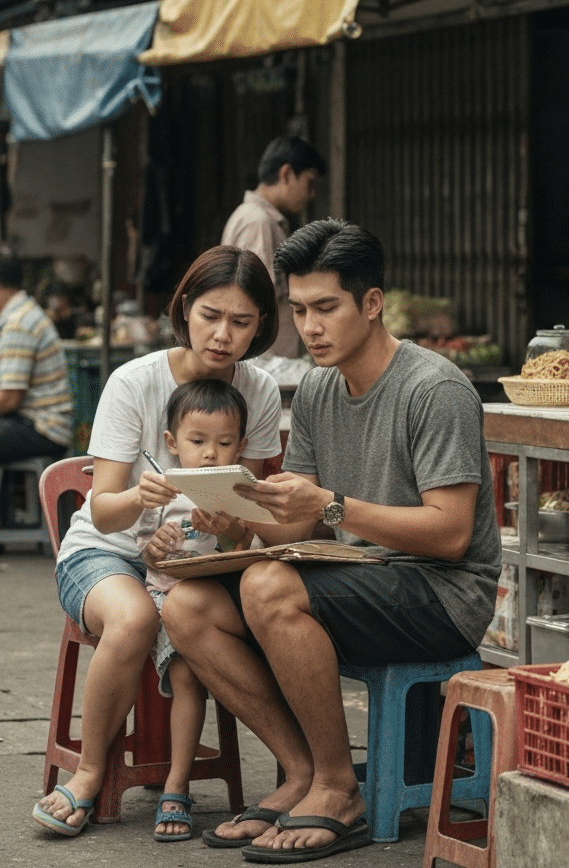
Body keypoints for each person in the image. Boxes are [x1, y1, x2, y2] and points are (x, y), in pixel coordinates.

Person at [161, 218, 502, 863]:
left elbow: (452, 535)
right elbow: (300, 524)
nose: (309, 328)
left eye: (325, 308)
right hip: (359, 574)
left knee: (268, 585)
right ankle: (301, 773)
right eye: (298, 311)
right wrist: (236, 517)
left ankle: (339, 788)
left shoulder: (433, 388)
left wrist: (333, 505)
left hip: (442, 594)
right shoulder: (318, 388)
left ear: (371, 304)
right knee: (187, 606)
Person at [32, 245, 286, 838]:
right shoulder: (133, 382)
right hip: (107, 552)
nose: (223, 335)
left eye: (242, 322)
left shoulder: (261, 391)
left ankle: (298, 774)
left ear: (262, 327)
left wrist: (231, 523)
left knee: (265, 610)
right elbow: (104, 508)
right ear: (185, 309)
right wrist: (144, 497)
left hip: (201, 560)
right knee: (133, 618)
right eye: (210, 315)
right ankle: (92, 774)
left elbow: (249, 514)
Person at [135, 378, 253, 842]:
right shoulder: (163, 492)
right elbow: (146, 556)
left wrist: (229, 532)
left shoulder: (238, 491)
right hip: (167, 598)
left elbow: (244, 549)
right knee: (186, 676)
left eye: (224, 443)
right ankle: (176, 786)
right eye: (197, 442)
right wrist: (157, 547)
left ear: (240, 445)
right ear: (171, 443)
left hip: (218, 601)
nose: (210, 454)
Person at [221, 136, 327, 358]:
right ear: (287, 174)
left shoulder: (257, 218)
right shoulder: (258, 222)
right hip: (267, 361)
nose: (312, 193)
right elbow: (253, 299)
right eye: (310, 182)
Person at [0, 247, 73, 499]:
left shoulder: (18, 323)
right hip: (33, 422)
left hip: (44, 427)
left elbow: (8, 400)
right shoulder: (22, 314)